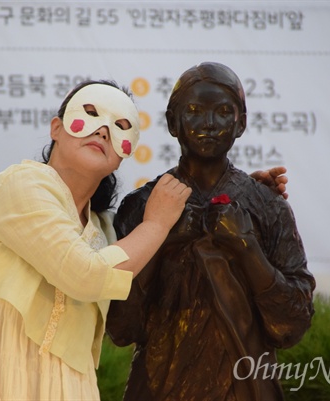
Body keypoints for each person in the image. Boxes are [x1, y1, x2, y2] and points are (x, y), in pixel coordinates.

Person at [0, 79, 192, 400]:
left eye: (120, 125)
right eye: (91, 113)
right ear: (56, 128)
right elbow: (86, 274)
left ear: (125, 153)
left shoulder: (104, 229)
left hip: (61, 386)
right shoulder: (21, 184)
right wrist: (156, 224)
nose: (104, 130)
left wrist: (254, 190)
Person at [106, 62, 315, 401]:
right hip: (158, 388)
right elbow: (120, 328)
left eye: (222, 112)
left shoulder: (267, 205)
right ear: (173, 122)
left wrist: (246, 248)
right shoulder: (142, 207)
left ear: (241, 123)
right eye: (193, 111)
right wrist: (157, 238)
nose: (208, 124)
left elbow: (291, 326)